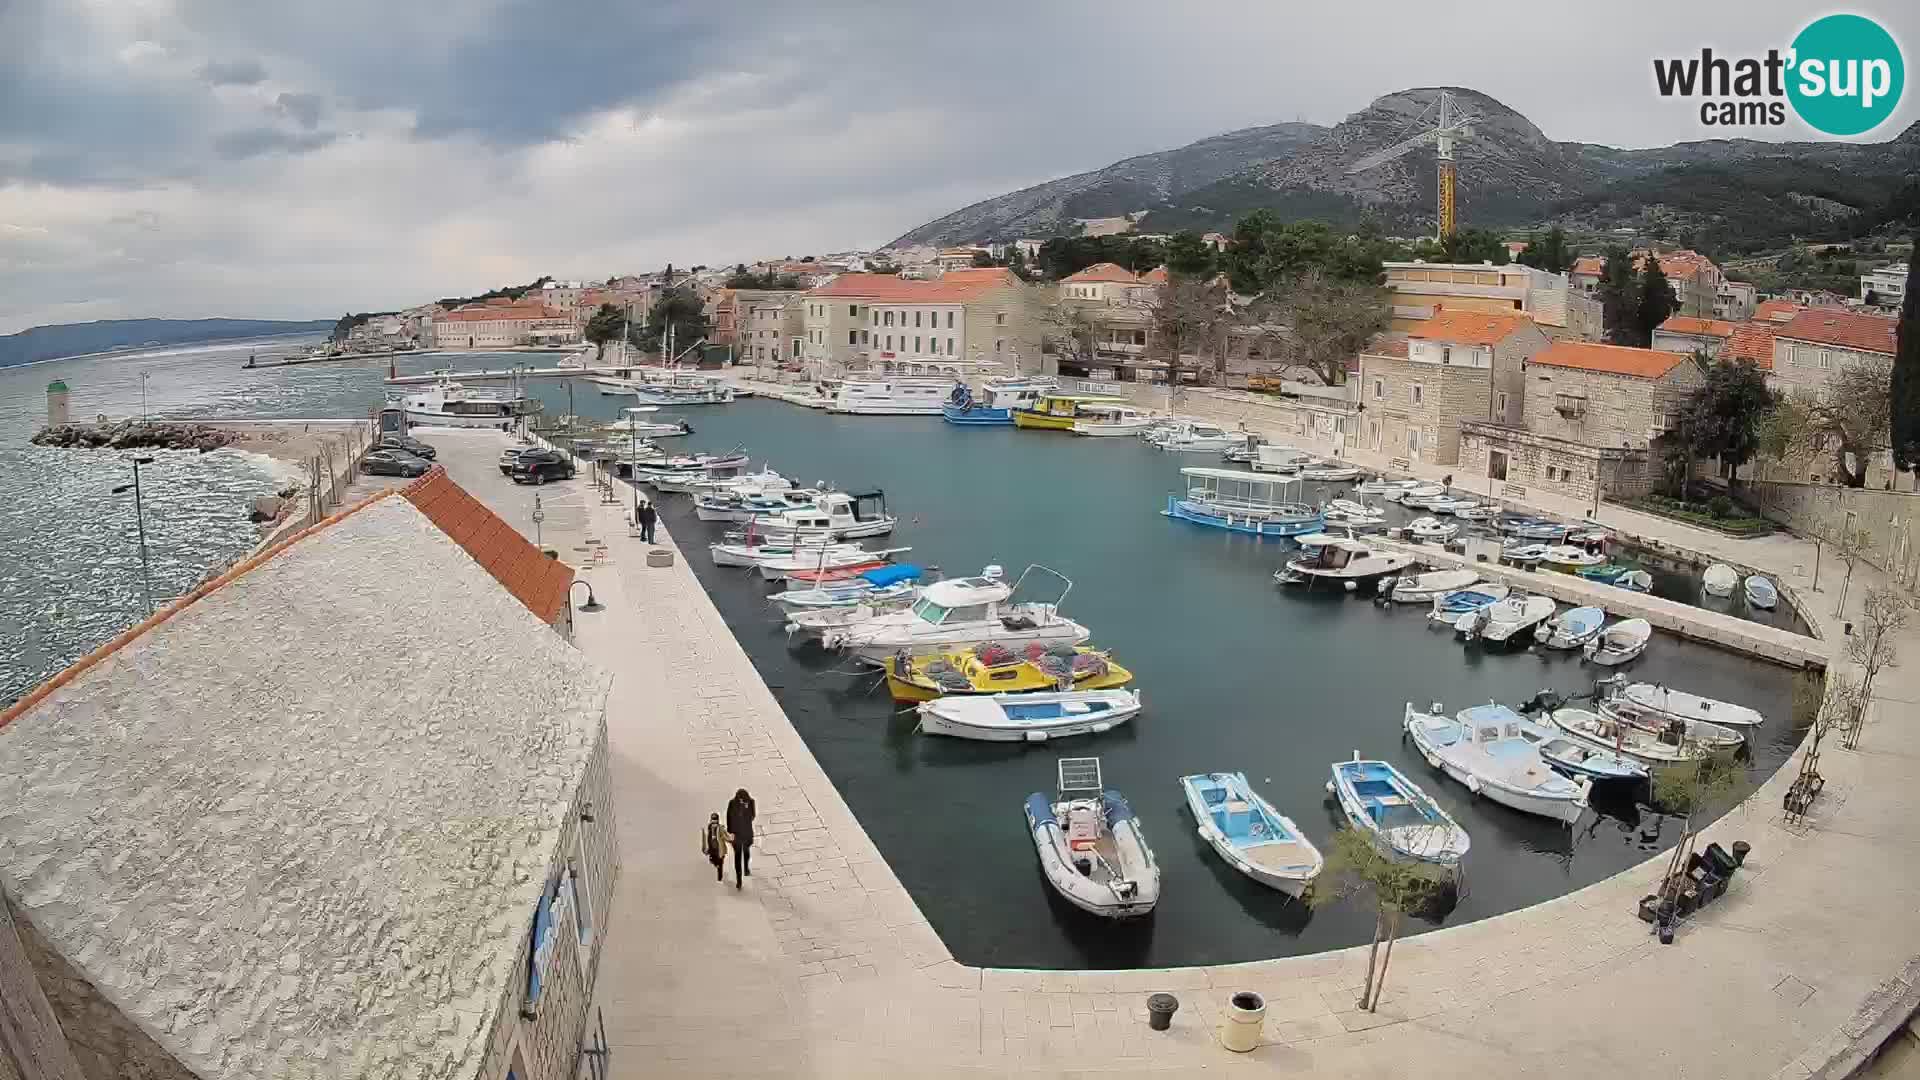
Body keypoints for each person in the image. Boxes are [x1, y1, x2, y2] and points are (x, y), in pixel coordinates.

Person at [725, 788, 756, 889]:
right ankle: (739, 880)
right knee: (737, 857)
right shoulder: (732, 803)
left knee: (746, 852)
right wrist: (730, 832)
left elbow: (752, 816)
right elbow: (728, 817)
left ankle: (746, 868)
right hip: (736, 835)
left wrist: (746, 808)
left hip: (746, 834)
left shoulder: (751, 802)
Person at [700, 811, 729, 883]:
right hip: (712, 849)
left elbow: (725, 837)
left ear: (718, 820)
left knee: (720, 864)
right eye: (713, 820)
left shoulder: (721, 828)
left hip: (719, 850)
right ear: (711, 820)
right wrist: (705, 848)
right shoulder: (708, 828)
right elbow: (705, 838)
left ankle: (720, 879)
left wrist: (731, 838)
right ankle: (717, 867)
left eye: (715, 820)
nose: (714, 822)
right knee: (713, 861)